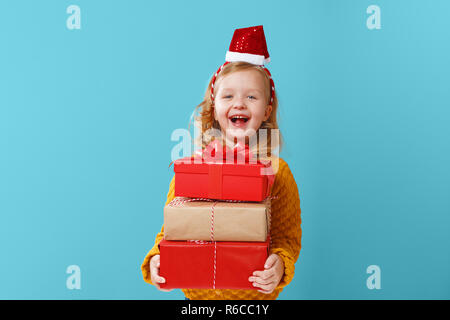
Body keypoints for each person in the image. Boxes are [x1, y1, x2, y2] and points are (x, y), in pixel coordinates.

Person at [141, 25, 302, 300]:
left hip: (255, 300)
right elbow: (172, 230)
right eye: (228, 96)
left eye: (251, 96)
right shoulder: (191, 169)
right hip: (197, 300)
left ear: (266, 110)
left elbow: (287, 239)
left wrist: (280, 265)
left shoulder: (278, 171)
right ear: (214, 108)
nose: (239, 103)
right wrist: (157, 259)